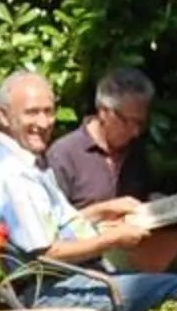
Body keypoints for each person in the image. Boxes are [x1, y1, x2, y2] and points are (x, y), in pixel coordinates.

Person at [0, 70, 177, 311]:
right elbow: (47, 254)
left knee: (162, 280)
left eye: (49, 111)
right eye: (32, 112)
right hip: (52, 292)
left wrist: (104, 210)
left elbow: (54, 225)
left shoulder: (19, 162)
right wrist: (113, 239)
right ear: (3, 116)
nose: (44, 123)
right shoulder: (14, 176)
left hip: (68, 279)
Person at [45, 65, 158, 210]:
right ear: (104, 111)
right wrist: (106, 210)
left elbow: (143, 196)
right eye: (127, 122)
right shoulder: (64, 155)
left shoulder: (135, 150)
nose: (135, 132)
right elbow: (51, 222)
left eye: (140, 123)